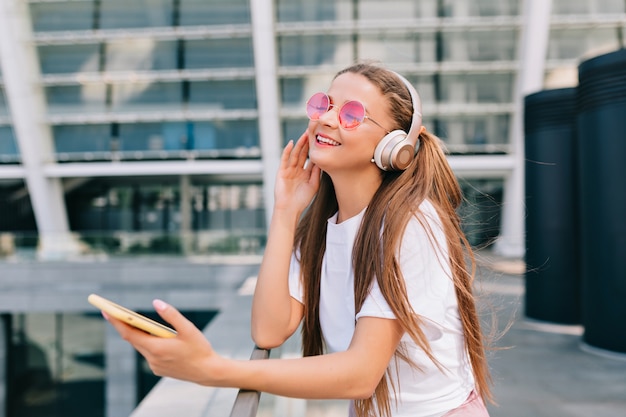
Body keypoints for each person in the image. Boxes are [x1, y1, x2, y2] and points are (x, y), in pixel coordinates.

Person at [105, 62, 493, 417]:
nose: (326, 119)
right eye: (324, 104)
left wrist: (212, 370)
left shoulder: (410, 223)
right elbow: (270, 330)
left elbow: (361, 374)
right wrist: (285, 211)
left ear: (396, 146)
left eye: (352, 114)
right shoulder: (324, 227)